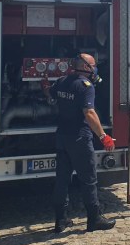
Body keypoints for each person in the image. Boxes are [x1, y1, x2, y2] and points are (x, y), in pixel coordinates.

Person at [41, 53, 116, 232]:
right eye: (93, 65)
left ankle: (61, 220)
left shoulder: (62, 81)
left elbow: (49, 93)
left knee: (62, 180)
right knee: (89, 179)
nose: (95, 68)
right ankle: (94, 219)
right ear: (85, 67)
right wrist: (103, 136)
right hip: (80, 139)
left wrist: (44, 85)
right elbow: (89, 113)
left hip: (62, 138)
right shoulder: (86, 87)